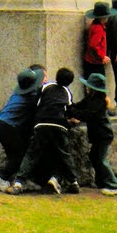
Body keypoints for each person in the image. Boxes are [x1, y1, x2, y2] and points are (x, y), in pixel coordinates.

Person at [8, 67, 81, 195]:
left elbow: (37, 103)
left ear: (56, 76)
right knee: (64, 154)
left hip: (42, 123)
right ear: (70, 82)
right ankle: (73, 182)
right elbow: (69, 109)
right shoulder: (67, 92)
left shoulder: (46, 87)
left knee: (32, 153)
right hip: (59, 125)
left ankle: (19, 182)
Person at [0, 65, 46, 192]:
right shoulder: (32, 97)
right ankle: (0, 179)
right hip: (9, 127)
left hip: (1, 123)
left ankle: (11, 179)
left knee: (14, 155)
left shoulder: (18, 94)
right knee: (20, 155)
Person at [69, 72, 117, 196]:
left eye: (88, 86)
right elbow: (79, 106)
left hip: (103, 135)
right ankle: (101, 182)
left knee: (100, 159)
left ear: (93, 89)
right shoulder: (91, 99)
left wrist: (71, 111)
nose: (86, 88)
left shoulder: (98, 102)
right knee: (94, 157)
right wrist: (69, 107)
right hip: (98, 135)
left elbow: (85, 114)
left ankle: (114, 185)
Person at [84, 0, 112, 84]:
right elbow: (93, 45)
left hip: (93, 62)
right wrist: (102, 57)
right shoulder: (98, 29)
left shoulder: (97, 26)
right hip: (95, 63)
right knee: (98, 86)